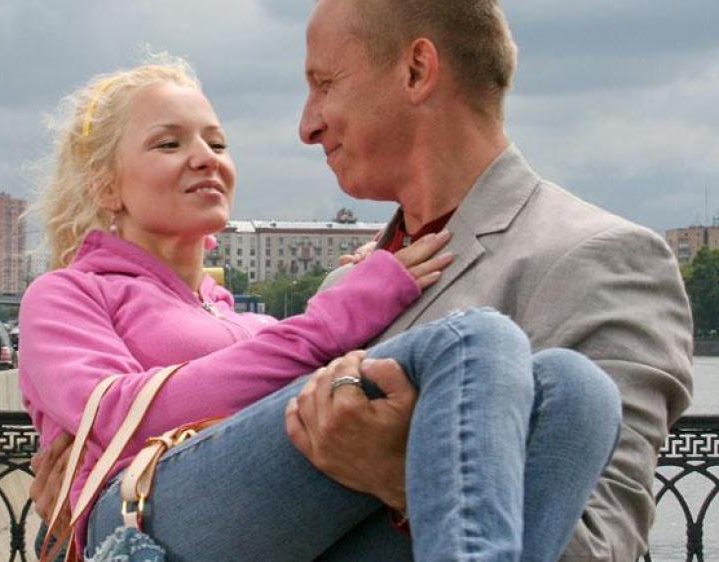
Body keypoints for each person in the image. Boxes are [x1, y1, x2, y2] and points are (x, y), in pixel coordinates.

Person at [22, 57, 622, 561]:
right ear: (106, 186)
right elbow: (118, 415)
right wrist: (332, 321)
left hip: (271, 531)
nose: (205, 157)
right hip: (134, 519)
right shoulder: (69, 293)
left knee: (575, 387)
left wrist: (343, 311)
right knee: (476, 340)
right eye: (169, 143)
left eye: (217, 142)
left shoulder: (252, 325)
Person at [286, 0, 694, 560]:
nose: (307, 126)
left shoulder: (601, 258)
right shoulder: (343, 286)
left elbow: (602, 547)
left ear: (417, 71)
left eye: (325, 84)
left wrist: (403, 475)